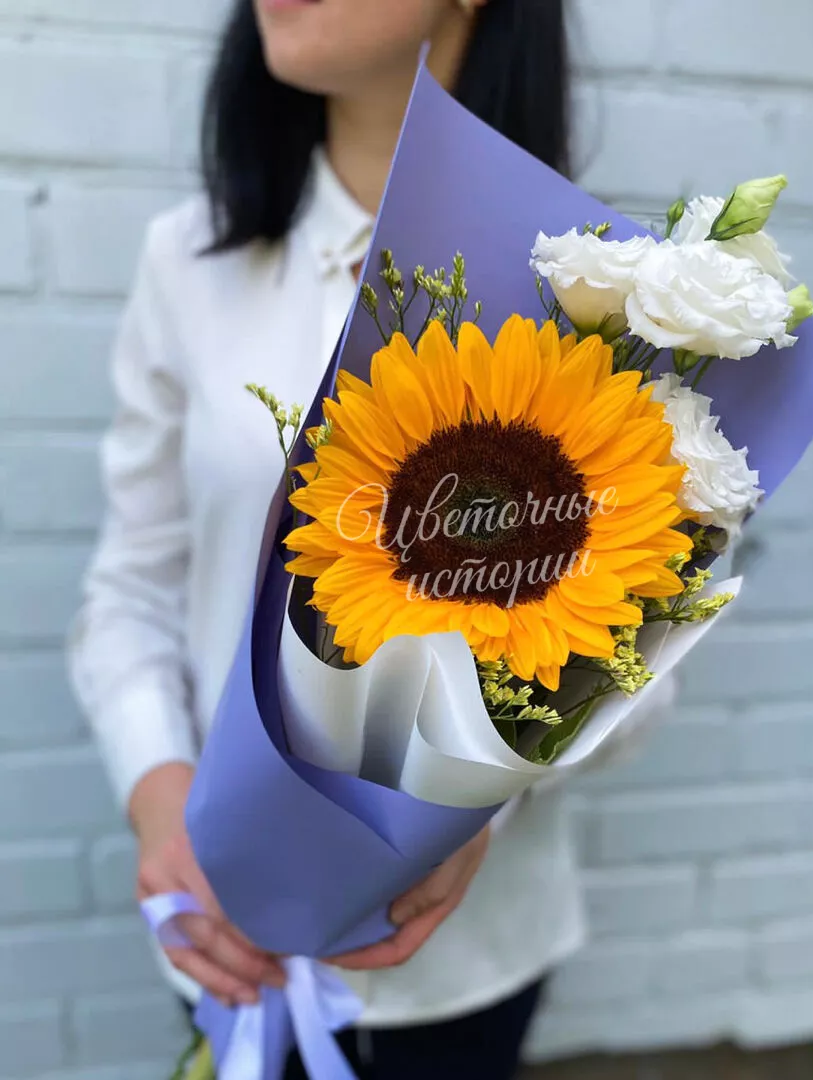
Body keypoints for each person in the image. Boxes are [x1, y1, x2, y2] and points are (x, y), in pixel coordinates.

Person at [68, 1, 619, 1077]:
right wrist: (161, 799)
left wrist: (474, 807)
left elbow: (638, 644)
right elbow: (131, 588)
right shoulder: (190, 262)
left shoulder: (594, 292)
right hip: (224, 927)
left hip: (465, 955)